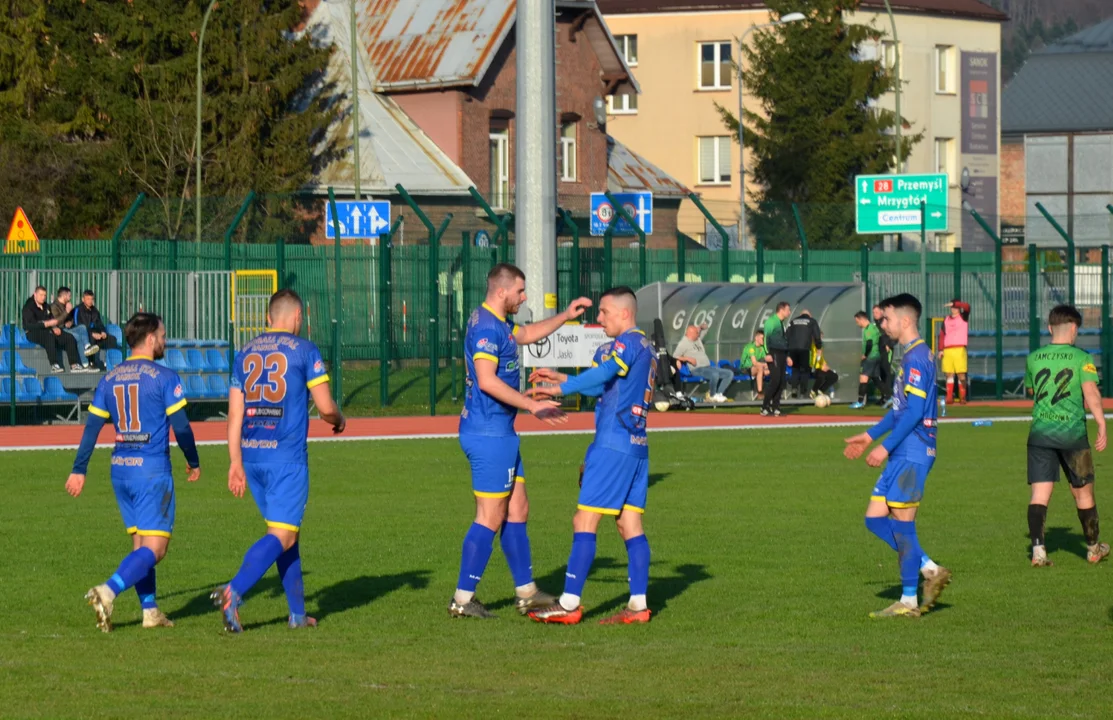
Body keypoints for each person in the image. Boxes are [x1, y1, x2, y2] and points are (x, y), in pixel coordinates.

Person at [450, 263, 590, 619]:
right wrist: (531, 405)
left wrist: (566, 315)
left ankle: (526, 592)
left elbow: (526, 334)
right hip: (487, 433)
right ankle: (463, 600)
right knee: (491, 514)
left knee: (518, 508)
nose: (524, 297)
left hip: (501, 433)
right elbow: (486, 380)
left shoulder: (499, 324)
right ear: (501, 291)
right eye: (520, 291)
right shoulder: (485, 327)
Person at [211, 290, 345, 632]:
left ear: (270, 317)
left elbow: (234, 415)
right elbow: (326, 407)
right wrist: (338, 420)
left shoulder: (244, 353)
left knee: (287, 535)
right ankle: (234, 591)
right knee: (282, 535)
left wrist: (234, 462)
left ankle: (298, 615)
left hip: (253, 457)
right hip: (286, 458)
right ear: (298, 316)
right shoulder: (304, 350)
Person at [525, 287, 655, 625]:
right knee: (630, 524)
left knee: (583, 521)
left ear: (625, 314)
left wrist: (560, 389)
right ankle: (638, 606)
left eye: (604, 312)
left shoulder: (628, 342)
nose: (599, 319)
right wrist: (563, 377)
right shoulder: (644, 347)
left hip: (612, 445)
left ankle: (568, 604)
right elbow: (604, 386)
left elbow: (603, 374)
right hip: (636, 446)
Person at [64, 312, 201, 632]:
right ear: (151, 338)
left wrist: (79, 469)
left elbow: (92, 427)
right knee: (157, 548)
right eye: (163, 335)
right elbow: (181, 427)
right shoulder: (165, 377)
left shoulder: (110, 378)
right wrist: (193, 460)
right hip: (151, 470)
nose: (165, 340)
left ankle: (150, 611)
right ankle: (108, 590)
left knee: (141, 546)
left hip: (121, 470)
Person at [844, 293, 951, 618]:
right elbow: (899, 412)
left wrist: (885, 447)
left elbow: (915, 411)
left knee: (904, 527)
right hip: (904, 450)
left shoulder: (918, 358)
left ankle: (908, 601)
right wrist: (869, 435)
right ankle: (929, 568)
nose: (883, 324)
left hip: (913, 451)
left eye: (886, 318)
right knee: (874, 518)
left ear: (905, 320)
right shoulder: (910, 356)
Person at [1024, 304, 1109, 567]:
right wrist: (1101, 423)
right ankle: (1093, 549)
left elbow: (1031, 392)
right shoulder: (1081, 358)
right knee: (1083, 494)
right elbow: (1092, 394)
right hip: (1072, 436)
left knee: (1040, 495)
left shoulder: (1034, 358)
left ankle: (1038, 551)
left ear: (1050, 328)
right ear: (1073, 329)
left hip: (1040, 435)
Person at [22, 285, 83, 373]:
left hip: (48, 329)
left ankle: (74, 364)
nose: (43, 297)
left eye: (44, 295)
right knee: (49, 337)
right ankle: (54, 365)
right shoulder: (28, 307)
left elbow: (51, 319)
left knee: (69, 337)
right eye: (41, 295)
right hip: (32, 332)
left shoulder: (46, 306)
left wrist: (54, 327)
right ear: (35, 294)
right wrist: (45, 324)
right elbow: (28, 325)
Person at [673, 322, 733, 403]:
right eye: (696, 333)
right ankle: (712, 396)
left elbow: (705, 330)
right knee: (714, 374)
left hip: (708, 367)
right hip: (697, 369)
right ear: (691, 333)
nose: (698, 334)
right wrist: (687, 358)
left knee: (729, 373)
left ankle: (719, 394)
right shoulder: (683, 343)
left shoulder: (697, 340)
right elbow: (675, 356)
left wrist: (701, 327)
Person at [51, 286, 98, 370]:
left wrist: (70, 322)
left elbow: (71, 318)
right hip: (60, 329)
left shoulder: (67, 305)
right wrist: (67, 311)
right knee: (77, 337)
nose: (70, 298)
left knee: (82, 327)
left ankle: (87, 346)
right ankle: (85, 364)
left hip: (68, 327)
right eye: (69, 296)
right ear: (64, 296)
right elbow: (56, 321)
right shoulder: (54, 306)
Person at [851, 311, 890, 409]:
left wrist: (865, 355)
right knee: (876, 379)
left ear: (861, 319)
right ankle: (890, 397)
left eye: (857, 321)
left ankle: (860, 402)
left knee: (863, 379)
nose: (857, 324)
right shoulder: (875, 327)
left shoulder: (868, 329)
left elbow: (869, 343)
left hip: (870, 357)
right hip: (876, 356)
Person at [761, 302, 792, 416]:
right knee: (775, 380)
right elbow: (766, 338)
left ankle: (776, 407)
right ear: (781, 310)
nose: (789, 312)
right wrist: (767, 353)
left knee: (782, 381)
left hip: (782, 353)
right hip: (773, 353)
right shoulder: (771, 321)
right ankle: (764, 406)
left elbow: (783, 341)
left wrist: (787, 355)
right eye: (788, 309)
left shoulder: (782, 323)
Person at [938, 299, 971, 405]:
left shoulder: (963, 317)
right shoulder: (946, 319)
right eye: (952, 307)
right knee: (949, 374)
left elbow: (967, 307)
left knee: (961, 374)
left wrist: (956, 303)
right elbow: (942, 335)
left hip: (959, 349)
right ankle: (949, 397)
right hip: (948, 349)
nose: (953, 309)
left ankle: (963, 396)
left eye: (955, 307)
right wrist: (940, 349)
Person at [75, 290, 118, 368]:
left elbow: (100, 323)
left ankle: (109, 362)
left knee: (112, 339)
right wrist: (92, 334)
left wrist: (103, 332)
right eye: (88, 299)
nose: (90, 301)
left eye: (92, 299)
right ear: (83, 299)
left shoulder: (95, 310)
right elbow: (78, 327)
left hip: (97, 334)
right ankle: (91, 362)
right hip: (85, 335)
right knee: (91, 339)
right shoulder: (78, 310)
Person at [786, 309, 822, 398]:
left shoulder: (793, 321)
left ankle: (794, 388)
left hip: (793, 348)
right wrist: (819, 346)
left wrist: (787, 350)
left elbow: (786, 335)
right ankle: (803, 391)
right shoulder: (811, 321)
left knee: (795, 369)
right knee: (805, 370)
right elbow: (817, 335)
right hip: (804, 348)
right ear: (809, 315)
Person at [741, 330, 769, 400]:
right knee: (760, 368)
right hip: (746, 368)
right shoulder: (751, 347)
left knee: (769, 370)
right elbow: (754, 363)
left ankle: (773, 392)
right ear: (756, 338)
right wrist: (764, 365)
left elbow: (766, 359)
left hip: (756, 368)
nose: (763, 340)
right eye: (762, 338)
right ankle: (760, 392)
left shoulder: (762, 348)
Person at [873, 305, 893, 393]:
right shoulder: (876, 323)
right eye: (873, 312)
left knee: (886, 372)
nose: (875, 314)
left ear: (881, 312)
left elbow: (892, 334)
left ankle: (887, 395)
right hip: (879, 350)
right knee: (880, 372)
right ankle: (884, 395)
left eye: (876, 312)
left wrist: (889, 344)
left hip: (887, 350)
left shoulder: (886, 321)